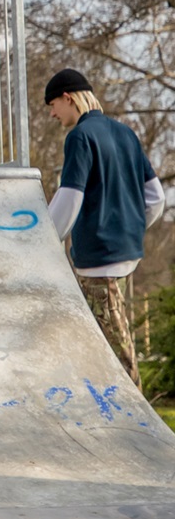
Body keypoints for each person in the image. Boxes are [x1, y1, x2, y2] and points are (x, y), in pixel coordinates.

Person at [45, 68, 165, 388]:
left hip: (99, 263)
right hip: (125, 257)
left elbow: (70, 198)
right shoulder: (125, 133)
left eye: (53, 105)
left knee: (117, 355)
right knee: (106, 346)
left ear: (69, 98)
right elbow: (156, 198)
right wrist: (131, 228)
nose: (52, 114)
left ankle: (140, 433)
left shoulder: (81, 137)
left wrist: (43, 242)